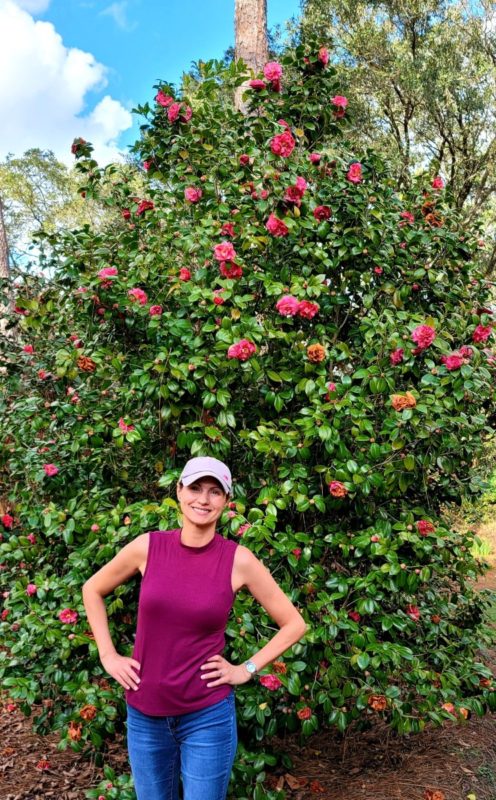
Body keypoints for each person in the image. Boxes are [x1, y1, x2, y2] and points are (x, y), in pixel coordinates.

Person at [82, 456, 307, 800]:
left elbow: (294, 624)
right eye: (196, 488)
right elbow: (92, 589)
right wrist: (108, 655)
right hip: (146, 714)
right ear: (179, 491)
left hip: (207, 716)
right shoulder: (149, 547)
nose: (203, 499)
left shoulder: (238, 560)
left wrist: (245, 669)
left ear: (226, 502)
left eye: (215, 491)